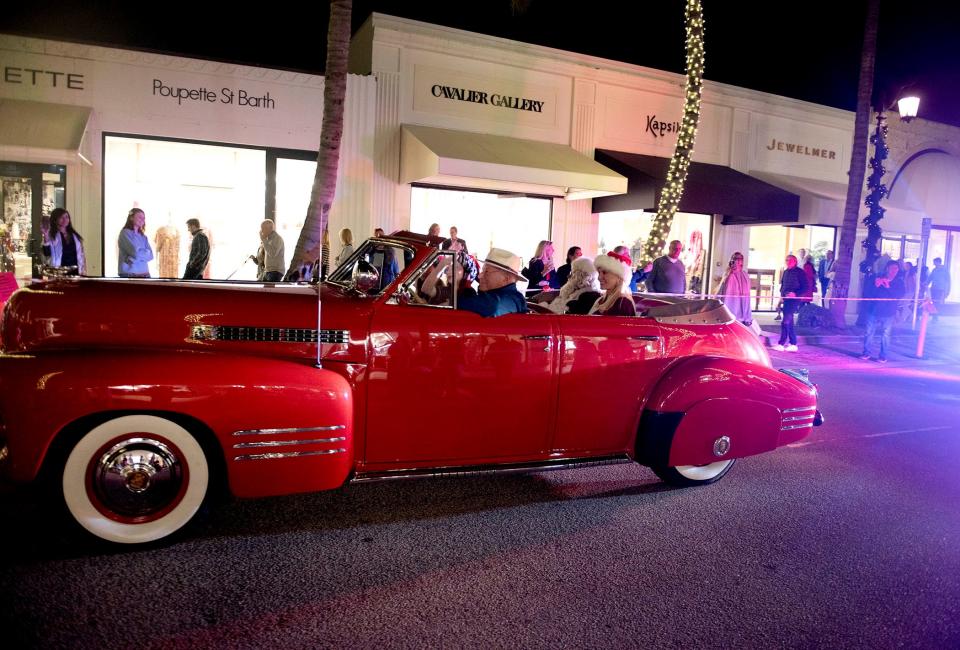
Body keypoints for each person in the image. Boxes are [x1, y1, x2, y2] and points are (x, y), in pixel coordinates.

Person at [456, 248, 528, 317]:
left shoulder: (512, 299)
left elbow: (492, 308)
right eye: (482, 271)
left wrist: (454, 297)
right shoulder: (494, 295)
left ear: (506, 278)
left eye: (486, 272)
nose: (479, 276)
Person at [861, 260, 905, 363]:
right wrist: (876, 285)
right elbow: (867, 293)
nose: (894, 271)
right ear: (887, 268)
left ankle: (883, 355)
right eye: (892, 268)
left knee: (886, 334)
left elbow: (898, 295)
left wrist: (888, 286)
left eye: (896, 269)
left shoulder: (899, 282)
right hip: (873, 310)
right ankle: (866, 352)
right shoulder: (876, 278)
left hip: (888, 312)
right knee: (869, 332)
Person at [773, 254, 806, 352]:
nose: (788, 262)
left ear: (795, 261)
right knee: (789, 321)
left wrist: (795, 294)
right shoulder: (786, 272)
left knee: (786, 320)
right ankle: (793, 343)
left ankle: (781, 343)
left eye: (790, 260)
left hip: (794, 300)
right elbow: (783, 285)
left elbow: (805, 286)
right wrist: (782, 297)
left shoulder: (800, 272)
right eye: (786, 260)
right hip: (786, 299)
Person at [590, 251, 637, 316]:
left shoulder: (623, 302)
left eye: (604, 272)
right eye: (599, 272)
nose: (599, 277)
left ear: (619, 276)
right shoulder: (601, 299)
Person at [41, 207, 86, 275]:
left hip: (75, 272)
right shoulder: (51, 236)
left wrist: (84, 271)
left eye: (66, 217)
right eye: (61, 217)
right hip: (59, 272)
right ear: (55, 220)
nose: (65, 219)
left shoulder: (75, 236)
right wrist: (46, 235)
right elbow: (47, 254)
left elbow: (82, 256)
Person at [717, 251, 753, 326]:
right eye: (737, 259)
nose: (739, 261)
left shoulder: (744, 275)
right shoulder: (729, 275)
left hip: (742, 303)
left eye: (741, 259)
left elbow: (747, 295)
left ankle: (743, 318)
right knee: (732, 305)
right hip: (731, 305)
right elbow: (724, 292)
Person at [117, 208, 154, 278]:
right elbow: (135, 253)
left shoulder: (143, 236)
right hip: (130, 274)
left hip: (145, 274)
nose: (142, 220)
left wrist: (132, 259)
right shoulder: (125, 233)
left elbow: (151, 256)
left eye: (144, 218)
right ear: (131, 218)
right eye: (140, 217)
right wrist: (144, 253)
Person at [927, 257, 951, 321]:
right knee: (934, 302)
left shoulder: (944, 270)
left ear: (938, 262)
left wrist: (947, 290)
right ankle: (934, 316)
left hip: (940, 289)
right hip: (934, 288)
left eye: (934, 262)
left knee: (937, 302)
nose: (933, 263)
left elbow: (948, 281)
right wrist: (926, 283)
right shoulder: (934, 270)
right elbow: (930, 278)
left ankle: (935, 316)